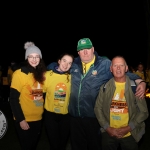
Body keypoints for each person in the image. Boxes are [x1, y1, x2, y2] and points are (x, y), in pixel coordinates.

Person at [68, 38, 146, 150]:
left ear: (93, 49)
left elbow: (123, 72)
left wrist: (141, 82)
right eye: (82, 49)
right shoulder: (73, 64)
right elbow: (58, 67)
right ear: (78, 52)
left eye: (88, 49)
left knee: (94, 146)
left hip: (94, 117)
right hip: (75, 117)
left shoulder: (104, 64)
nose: (85, 52)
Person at [94, 56, 149, 150]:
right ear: (111, 69)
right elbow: (97, 108)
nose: (118, 68)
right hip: (109, 134)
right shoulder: (104, 87)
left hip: (130, 134)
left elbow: (144, 112)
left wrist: (128, 128)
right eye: (115, 65)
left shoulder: (135, 88)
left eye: (121, 65)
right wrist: (107, 128)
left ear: (126, 68)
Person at [9, 41, 47, 150]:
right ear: (27, 58)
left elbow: (38, 95)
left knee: (33, 146)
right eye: (31, 56)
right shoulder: (19, 74)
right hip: (25, 119)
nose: (34, 59)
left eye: (37, 57)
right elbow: (13, 99)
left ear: (40, 58)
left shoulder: (41, 74)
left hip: (38, 118)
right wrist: (21, 119)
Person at [43, 53, 74, 150]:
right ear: (59, 61)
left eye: (69, 63)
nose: (66, 65)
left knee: (62, 144)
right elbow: (40, 94)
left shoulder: (72, 77)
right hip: (50, 115)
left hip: (65, 116)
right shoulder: (47, 75)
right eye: (64, 61)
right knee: (53, 144)